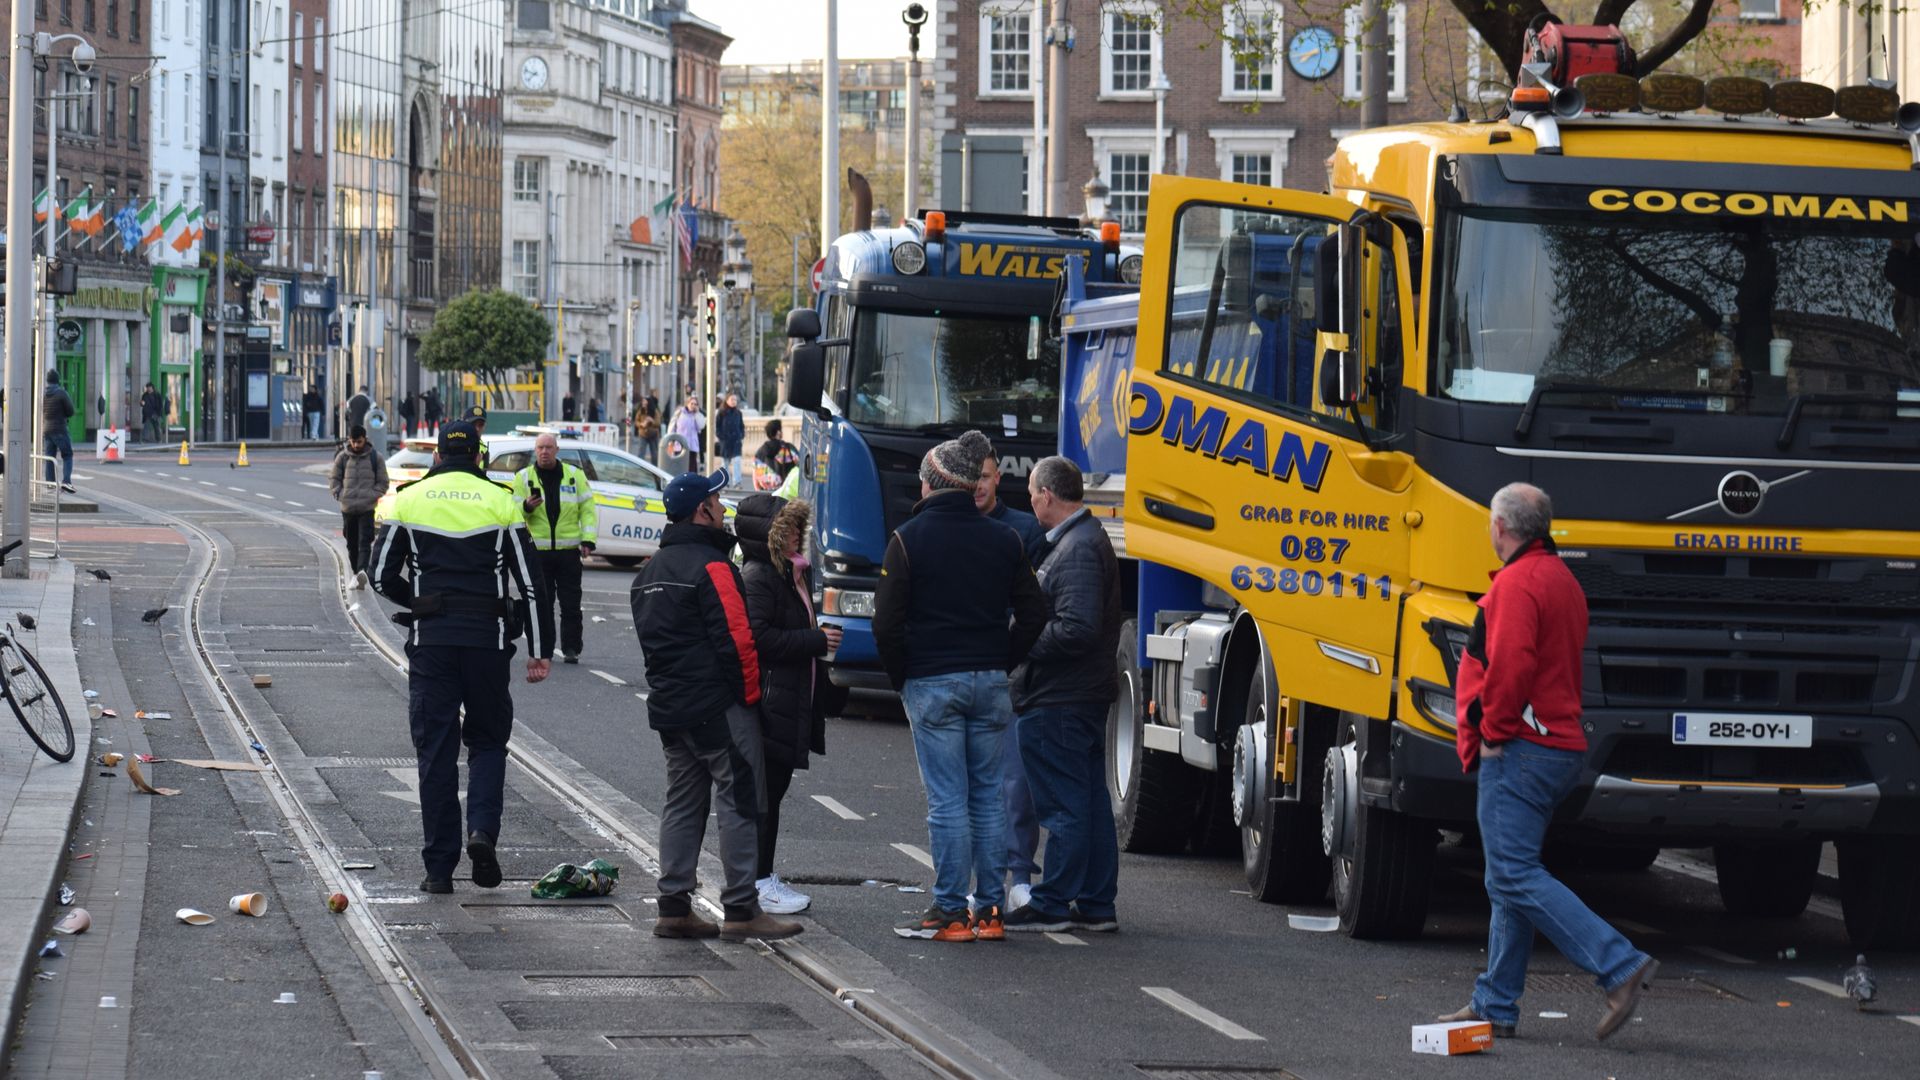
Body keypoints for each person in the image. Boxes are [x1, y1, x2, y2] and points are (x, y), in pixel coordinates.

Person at [1439, 482, 1658, 1041]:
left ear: (1500, 528)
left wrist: (1492, 730)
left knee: (1512, 873)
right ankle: (1494, 1003)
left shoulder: (1516, 583)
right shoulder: (1562, 579)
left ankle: (1620, 964)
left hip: (1520, 747)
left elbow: (1510, 665)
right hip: (1558, 745)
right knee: (1506, 876)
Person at [875, 430, 1048, 943]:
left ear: (931, 485)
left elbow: (887, 623)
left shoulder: (908, 539)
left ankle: (951, 910)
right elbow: (1035, 614)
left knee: (948, 800)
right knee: (988, 798)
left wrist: (902, 675)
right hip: (990, 680)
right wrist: (1002, 658)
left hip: (931, 679)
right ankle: (990, 910)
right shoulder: (1005, 538)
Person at [369, 421, 552, 894]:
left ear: (437, 458)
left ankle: (438, 869)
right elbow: (532, 583)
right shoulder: (501, 502)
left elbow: (379, 573)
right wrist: (539, 651)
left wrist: (417, 601)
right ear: (477, 458)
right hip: (487, 642)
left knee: (436, 750)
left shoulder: (409, 500)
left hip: (431, 642)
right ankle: (482, 833)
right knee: (489, 741)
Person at [633, 469, 804, 942]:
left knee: (683, 802)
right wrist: (750, 702)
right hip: (718, 707)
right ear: (700, 511)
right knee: (741, 799)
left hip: (671, 707)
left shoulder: (650, 571)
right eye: (716, 499)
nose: (723, 507)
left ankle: (674, 906)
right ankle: (742, 908)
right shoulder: (714, 567)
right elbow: (739, 643)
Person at [1003, 457, 1123, 933]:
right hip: (1078, 695)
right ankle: (1095, 902)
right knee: (1089, 801)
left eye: (1033, 493)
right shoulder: (1081, 541)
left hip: (1060, 698)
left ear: (1047, 496)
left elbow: (1076, 628)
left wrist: (1020, 642)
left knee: (1065, 805)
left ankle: (1053, 901)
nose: (1030, 502)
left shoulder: (1074, 549)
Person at [736, 494, 845, 915]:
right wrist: (815, 642)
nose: (798, 535)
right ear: (772, 535)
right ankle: (759, 881)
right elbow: (759, 639)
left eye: (799, 527)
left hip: (786, 699)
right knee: (765, 795)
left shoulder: (788, 575)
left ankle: (759, 877)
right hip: (770, 701)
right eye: (790, 528)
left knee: (771, 793)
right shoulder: (761, 577)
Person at [975, 444, 1049, 905]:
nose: (979, 485)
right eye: (972, 477)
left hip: (1014, 674)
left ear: (998, 477)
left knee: (1016, 785)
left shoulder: (1025, 530)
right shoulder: (952, 527)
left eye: (985, 476)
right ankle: (979, 885)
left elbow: (1034, 605)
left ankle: (1019, 876)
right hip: (966, 671)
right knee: (972, 788)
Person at [511, 432, 596, 664]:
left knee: (571, 604)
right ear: (535, 451)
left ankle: (571, 648)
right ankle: (544, 649)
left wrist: (588, 540)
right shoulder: (523, 477)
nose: (544, 452)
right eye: (540, 448)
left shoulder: (574, 476)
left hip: (568, 552)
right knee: (542, 603)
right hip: (538, 552)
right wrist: (527, 507)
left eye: (549, 447)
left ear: (557, 450)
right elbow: (512, 511)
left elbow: (588, 509)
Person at [330, 425, 391, 589]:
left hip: (366, 508)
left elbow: (383, 481)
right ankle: (357, 573)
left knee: (365, 541)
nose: (356, 445)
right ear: (349, 440)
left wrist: (373, 495)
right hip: (348, 508)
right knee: (351, 543)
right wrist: (339, 494)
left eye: (359, 441)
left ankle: (361, 572)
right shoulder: (342, 457)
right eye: (353, 441)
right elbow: (334, 478)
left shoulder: (375, 458)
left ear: (365, 439)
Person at [41, 369, 75, 493]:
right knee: (67, 455)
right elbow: (71, 411)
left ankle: (50, 484)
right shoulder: (61, 393)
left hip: (47, 429)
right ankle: (66, 482)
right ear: (57, 380)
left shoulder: (44, 394)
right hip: (60, 428)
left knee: (50, 457)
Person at [753, 419, 799, 490]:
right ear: (778, 432)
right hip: (785, 491)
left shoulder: (759, 452)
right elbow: (801, 465)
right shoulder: (788, 448)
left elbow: (755, 476)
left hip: (765, 491)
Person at [716, 392, 746, 486]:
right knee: (725, 463)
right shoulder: (721, 412)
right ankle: (725, 482)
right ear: (727, 401)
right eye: (732, 399)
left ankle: (737, 482)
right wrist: (722, 437)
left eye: (735, 400)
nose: (734, 402)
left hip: (736, 441)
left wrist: (741, 435)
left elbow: (741, 426)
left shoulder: (738, 413)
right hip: (725, 442)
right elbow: (717, 427)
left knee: (737, 461)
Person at [671, 396, 704, 471]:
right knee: (680, 469)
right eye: (691, 403)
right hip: (680, 446)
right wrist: (671, 441)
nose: (693, 406)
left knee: (691, 470)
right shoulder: (680, 413)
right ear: (687, 403)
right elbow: (672, 427)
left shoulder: (696, 415)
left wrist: (697, 414)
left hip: (692, 447)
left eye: (695, 404)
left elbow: (701, 426)